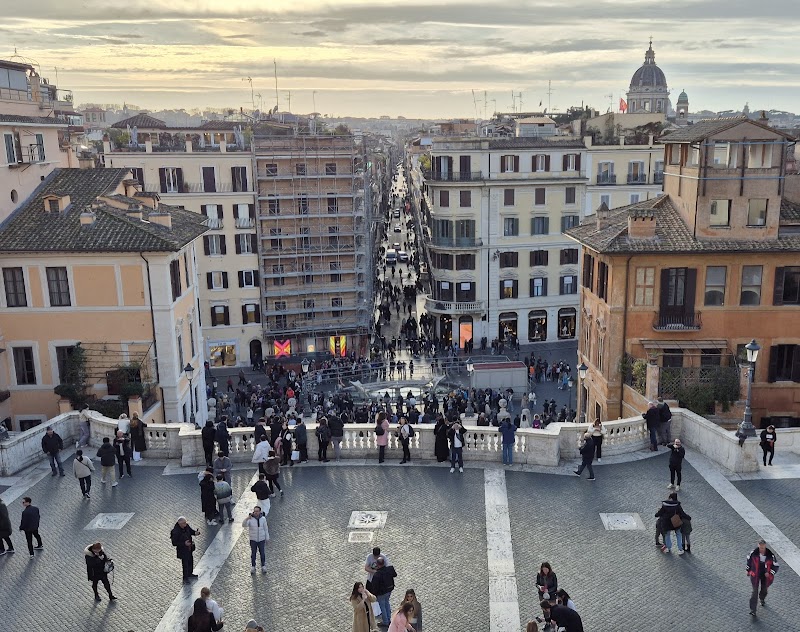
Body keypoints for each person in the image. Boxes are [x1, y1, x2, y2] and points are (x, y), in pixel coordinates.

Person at [747, 538, 780, 616]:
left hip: (765, 574)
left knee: (764, 588)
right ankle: (753, 610)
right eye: (760, 547)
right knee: (754, 591)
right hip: (755, 574)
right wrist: (748, 570)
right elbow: (749, 562)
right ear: (758, 546)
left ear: (765, 546)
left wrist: (770, 573)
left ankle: (762, 598)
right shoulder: (753, 553)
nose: (762, 549)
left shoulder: (771, 555)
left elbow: (776, 566)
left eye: (763, 547)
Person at [366, 556, 397, 627]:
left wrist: (375, 595)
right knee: (387, 603)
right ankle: (389, 618)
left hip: (381, 593)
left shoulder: (377, 574)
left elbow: (374, 586)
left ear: (377, 564)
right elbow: (395, 574)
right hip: (389, 590)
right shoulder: (390, 568)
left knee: (382, 606)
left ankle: (386, 621)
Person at [171, 516, 200, 583]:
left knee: (190, 561)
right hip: (182, 550)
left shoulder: (186, 526)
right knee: (185, 564)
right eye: (184, 523)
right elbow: (174, 543)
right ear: (180, 524)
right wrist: (184, 543)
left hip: (189, 548)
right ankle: (185, 577)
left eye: (186, 522)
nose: (186, 524)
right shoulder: (175, 531)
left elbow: (191, 531)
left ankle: (190, 573)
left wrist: (196, 533)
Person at [243, 505, 269, 574]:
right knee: (253, 553)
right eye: (255, 511)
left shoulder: (263, 519)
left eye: (257, 511)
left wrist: (267, 538)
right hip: (253, 539)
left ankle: (263, 566)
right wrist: (247, 518)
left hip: (261, 539)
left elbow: (266, 529)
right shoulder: (250, 519)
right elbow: (244, 525)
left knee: (262, 553)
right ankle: (253, 566)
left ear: (260, 512)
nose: (256, 513)